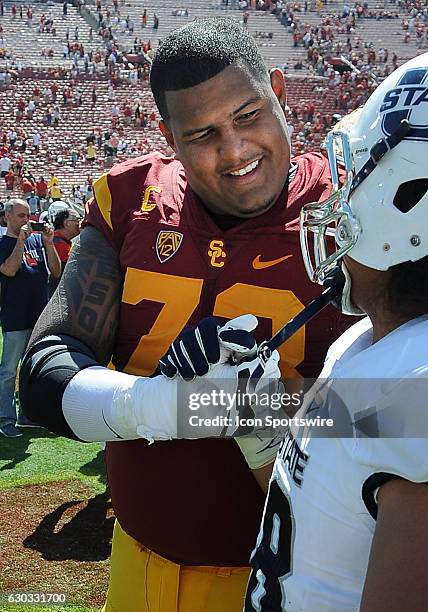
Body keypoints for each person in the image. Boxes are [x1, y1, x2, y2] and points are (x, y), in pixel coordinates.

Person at [19, 18, 349, 612]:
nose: (235, 149)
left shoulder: (350, 213)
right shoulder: (129, 199)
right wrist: (172, 405)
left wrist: (259, 412)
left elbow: (405, 409)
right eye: (202, 134)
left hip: (286, 576)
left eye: (249, 115)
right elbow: (44, 370)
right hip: (139, 559)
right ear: (170, 138)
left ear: (279, 88)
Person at [243, 52, 428, 610]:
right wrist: (254, 423)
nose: (333, 202)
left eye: (352, 180)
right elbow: (323, 497)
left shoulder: (413, 387)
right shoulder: (369, 346)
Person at [0, 199, 61, 438]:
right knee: (8, 371)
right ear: (7, 217)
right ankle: (5, 418)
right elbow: (9, 270)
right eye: (21, 216)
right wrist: (20, 243)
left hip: (38, 315)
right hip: (15, 317)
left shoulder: (37, 240)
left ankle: (27, 415)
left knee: (32, 369)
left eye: (29, 215)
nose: (27, 220)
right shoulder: (3, 243)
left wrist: (48, 244)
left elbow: (55, 271)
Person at [48, 207, 81, 296]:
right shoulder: (57, 242)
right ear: (66, 223)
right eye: (77, 220)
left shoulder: (59, 240)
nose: (79, 223)